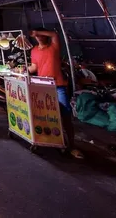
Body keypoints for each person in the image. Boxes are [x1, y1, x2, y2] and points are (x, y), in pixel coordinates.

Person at [27, 28, 83, 159]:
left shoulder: (54, 46)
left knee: (65, 113)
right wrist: (23, 69)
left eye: (41, 34)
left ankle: (71, 145)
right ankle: (49, 140)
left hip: (58, 86)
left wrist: (37, 32)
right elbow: (34, 67)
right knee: (45, 115)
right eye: (37, 36)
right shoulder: (34, 51)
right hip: (42, 87)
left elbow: (54, 34)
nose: (39, 37)